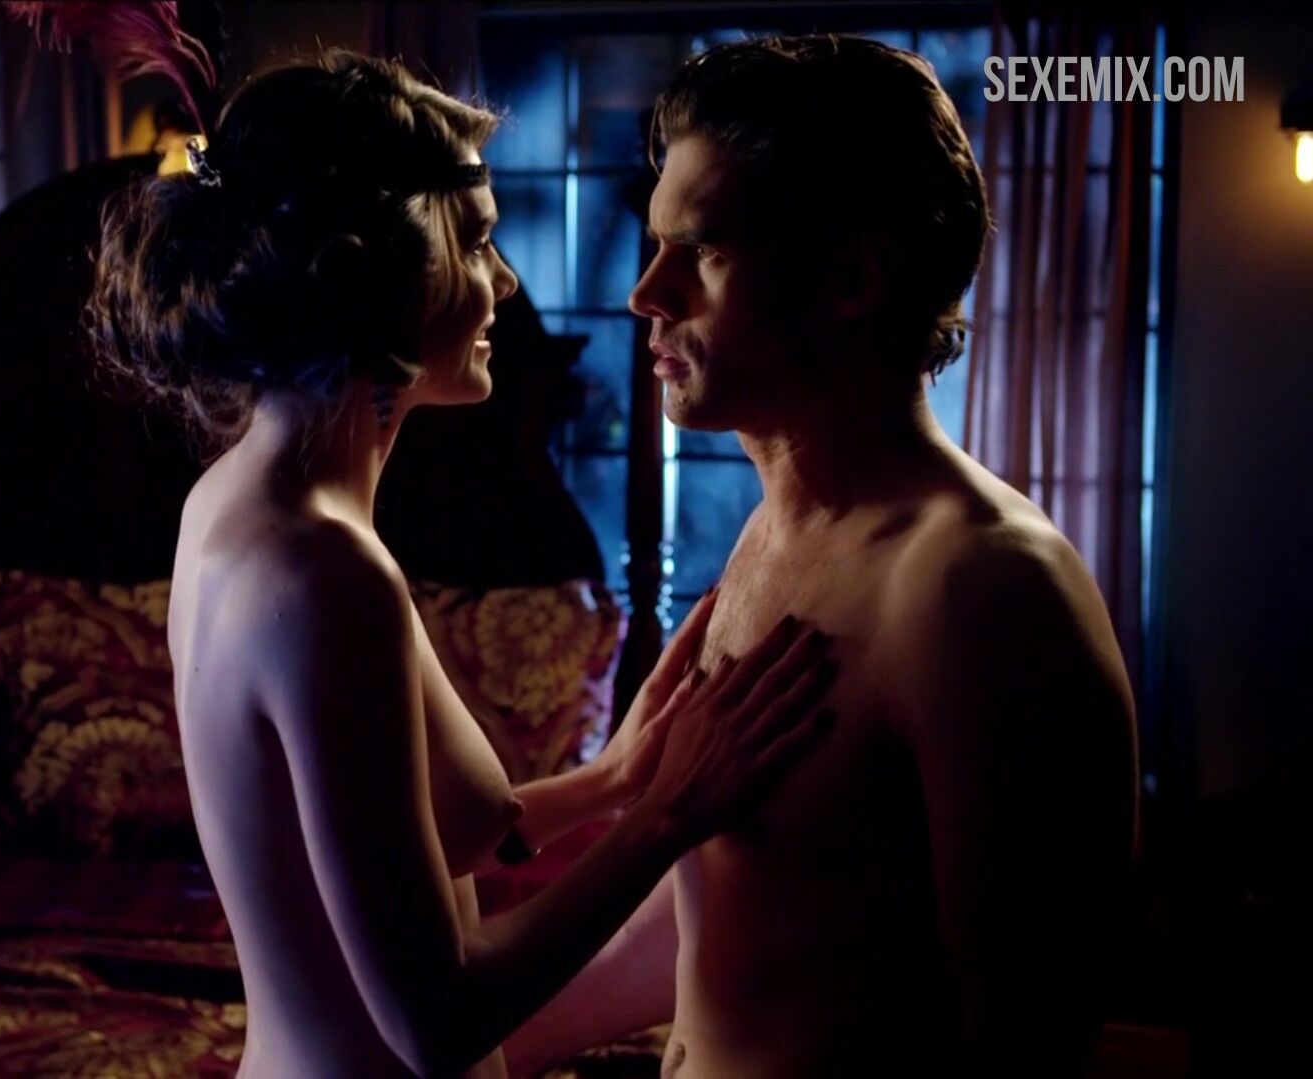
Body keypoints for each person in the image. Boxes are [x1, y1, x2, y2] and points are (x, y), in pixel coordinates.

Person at [89, 51, 840, 1079]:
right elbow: (437, 1021)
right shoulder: (327, 576)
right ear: (377, 272)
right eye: (479, 240)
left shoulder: (234, 503)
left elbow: (417, 838)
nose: (507, 282)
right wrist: (671, 814)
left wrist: (615, 777)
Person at [502, 35, 1141, 1079]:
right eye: (654, 245)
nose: (646, 292)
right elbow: (730, 926)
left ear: (852, 278)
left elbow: (1028, 1030)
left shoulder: (983, 588)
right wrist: (479, 1051)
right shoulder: (774, 532)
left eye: (700, 250)